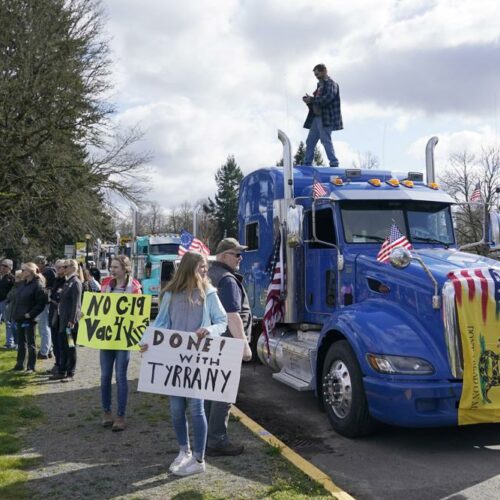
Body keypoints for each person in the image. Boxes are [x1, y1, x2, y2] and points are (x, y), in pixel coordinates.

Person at [140, 251, 227, 477]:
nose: (205, 270)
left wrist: (208, 330)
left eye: (206, 266)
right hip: (173, 359)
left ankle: (199, 458)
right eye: (201, 266)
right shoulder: (169, 294)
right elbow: (160, 323)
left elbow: (222, 321)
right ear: (189, 267)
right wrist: (146, 342)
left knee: (196, 409)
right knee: (176, 410)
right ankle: (184, 451)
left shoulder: (209, 293)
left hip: (197, 360)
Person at [205, 237, 253, 457]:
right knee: (223, 393)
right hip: (227, 342)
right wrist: (244, 345)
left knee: (208, 391)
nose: (240, 258)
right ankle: (217, 440)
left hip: (212, 340)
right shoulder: (227, 279)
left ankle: (205, 436)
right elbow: (233, 316)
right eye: (237, 254)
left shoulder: (209, 275)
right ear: (224, 256)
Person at [99, 256, 141, 431]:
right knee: (105, 376)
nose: (112, 270)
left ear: (125, 269)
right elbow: (99, 307)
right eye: (111, 267)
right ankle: (106, 412)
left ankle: (120, 415)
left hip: (123, 339)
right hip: (107, 337)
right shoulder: (106, 285)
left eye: (116, 267)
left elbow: (138, 314)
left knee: (121, 377)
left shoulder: (134, 288)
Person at [303, 63, 343, 168]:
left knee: (325, 140)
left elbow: (327, 98)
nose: (317, 76)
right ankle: (307, 164)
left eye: (318, 73)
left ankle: (334, 163)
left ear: (324, 71)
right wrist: (309, 101)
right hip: (316, 118)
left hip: (326, 118)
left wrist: (312, 99)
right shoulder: (319, 86)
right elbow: (316, 102)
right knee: (310, 141)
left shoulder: (332, 84)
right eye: (315, 75)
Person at [49, 259, 82, 382]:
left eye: (66, 266)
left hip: (69, 323)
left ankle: (70, 372)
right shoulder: (68, 282)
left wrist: (72, 320)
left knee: (70, 347)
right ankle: (62, 371)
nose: (64, 269)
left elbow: (76, 304)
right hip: (61, 320)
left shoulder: (75, 282)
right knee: (62, 346)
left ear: (73, 268)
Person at [12, 263, 47, 372]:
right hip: (20, 317)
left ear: (29, 271)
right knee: (21, 342)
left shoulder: (38, 284)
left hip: (29, 319)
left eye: (23, 270)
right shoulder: (22, 284)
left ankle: (31, 366)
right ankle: (20, 364)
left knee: (31, 343)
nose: (21, 272)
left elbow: (41, 304)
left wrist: (30, 314)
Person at [47, 260, 68, 375]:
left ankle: (64, 366)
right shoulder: (56, 280)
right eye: (56, 267)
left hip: (62, 316)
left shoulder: (67, 281)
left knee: (63, 343)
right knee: (55, 341)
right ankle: (57, 363)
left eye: (60, 267)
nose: (58, 269)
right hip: (53, 313)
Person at [34, 256, 56, 360]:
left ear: (41, 263)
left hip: (46, 302)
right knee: (44, 326)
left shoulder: (47, 272)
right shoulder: (50, 271)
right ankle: (49, 349)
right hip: (47, 301)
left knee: (44, 326)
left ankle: (44, 351)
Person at [3, 270, 24, 350]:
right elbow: (9, 296)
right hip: (12, 308)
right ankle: (17, 343)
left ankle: (19, 343)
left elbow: (17, 296)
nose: (15, 278)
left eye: (17, 277)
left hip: (19, 309)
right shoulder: (15, 286)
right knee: (13, 326)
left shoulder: (22, 286)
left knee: (15, 326)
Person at [0, 259, 15, 348]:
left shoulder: (12, 278)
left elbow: (14, 291)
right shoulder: (1, 277)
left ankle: (10, 343)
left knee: (8, 323)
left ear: (10, 267)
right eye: (2, 265)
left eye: (5, 266)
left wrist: (8, 301)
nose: (2, 267)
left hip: (6, 302)